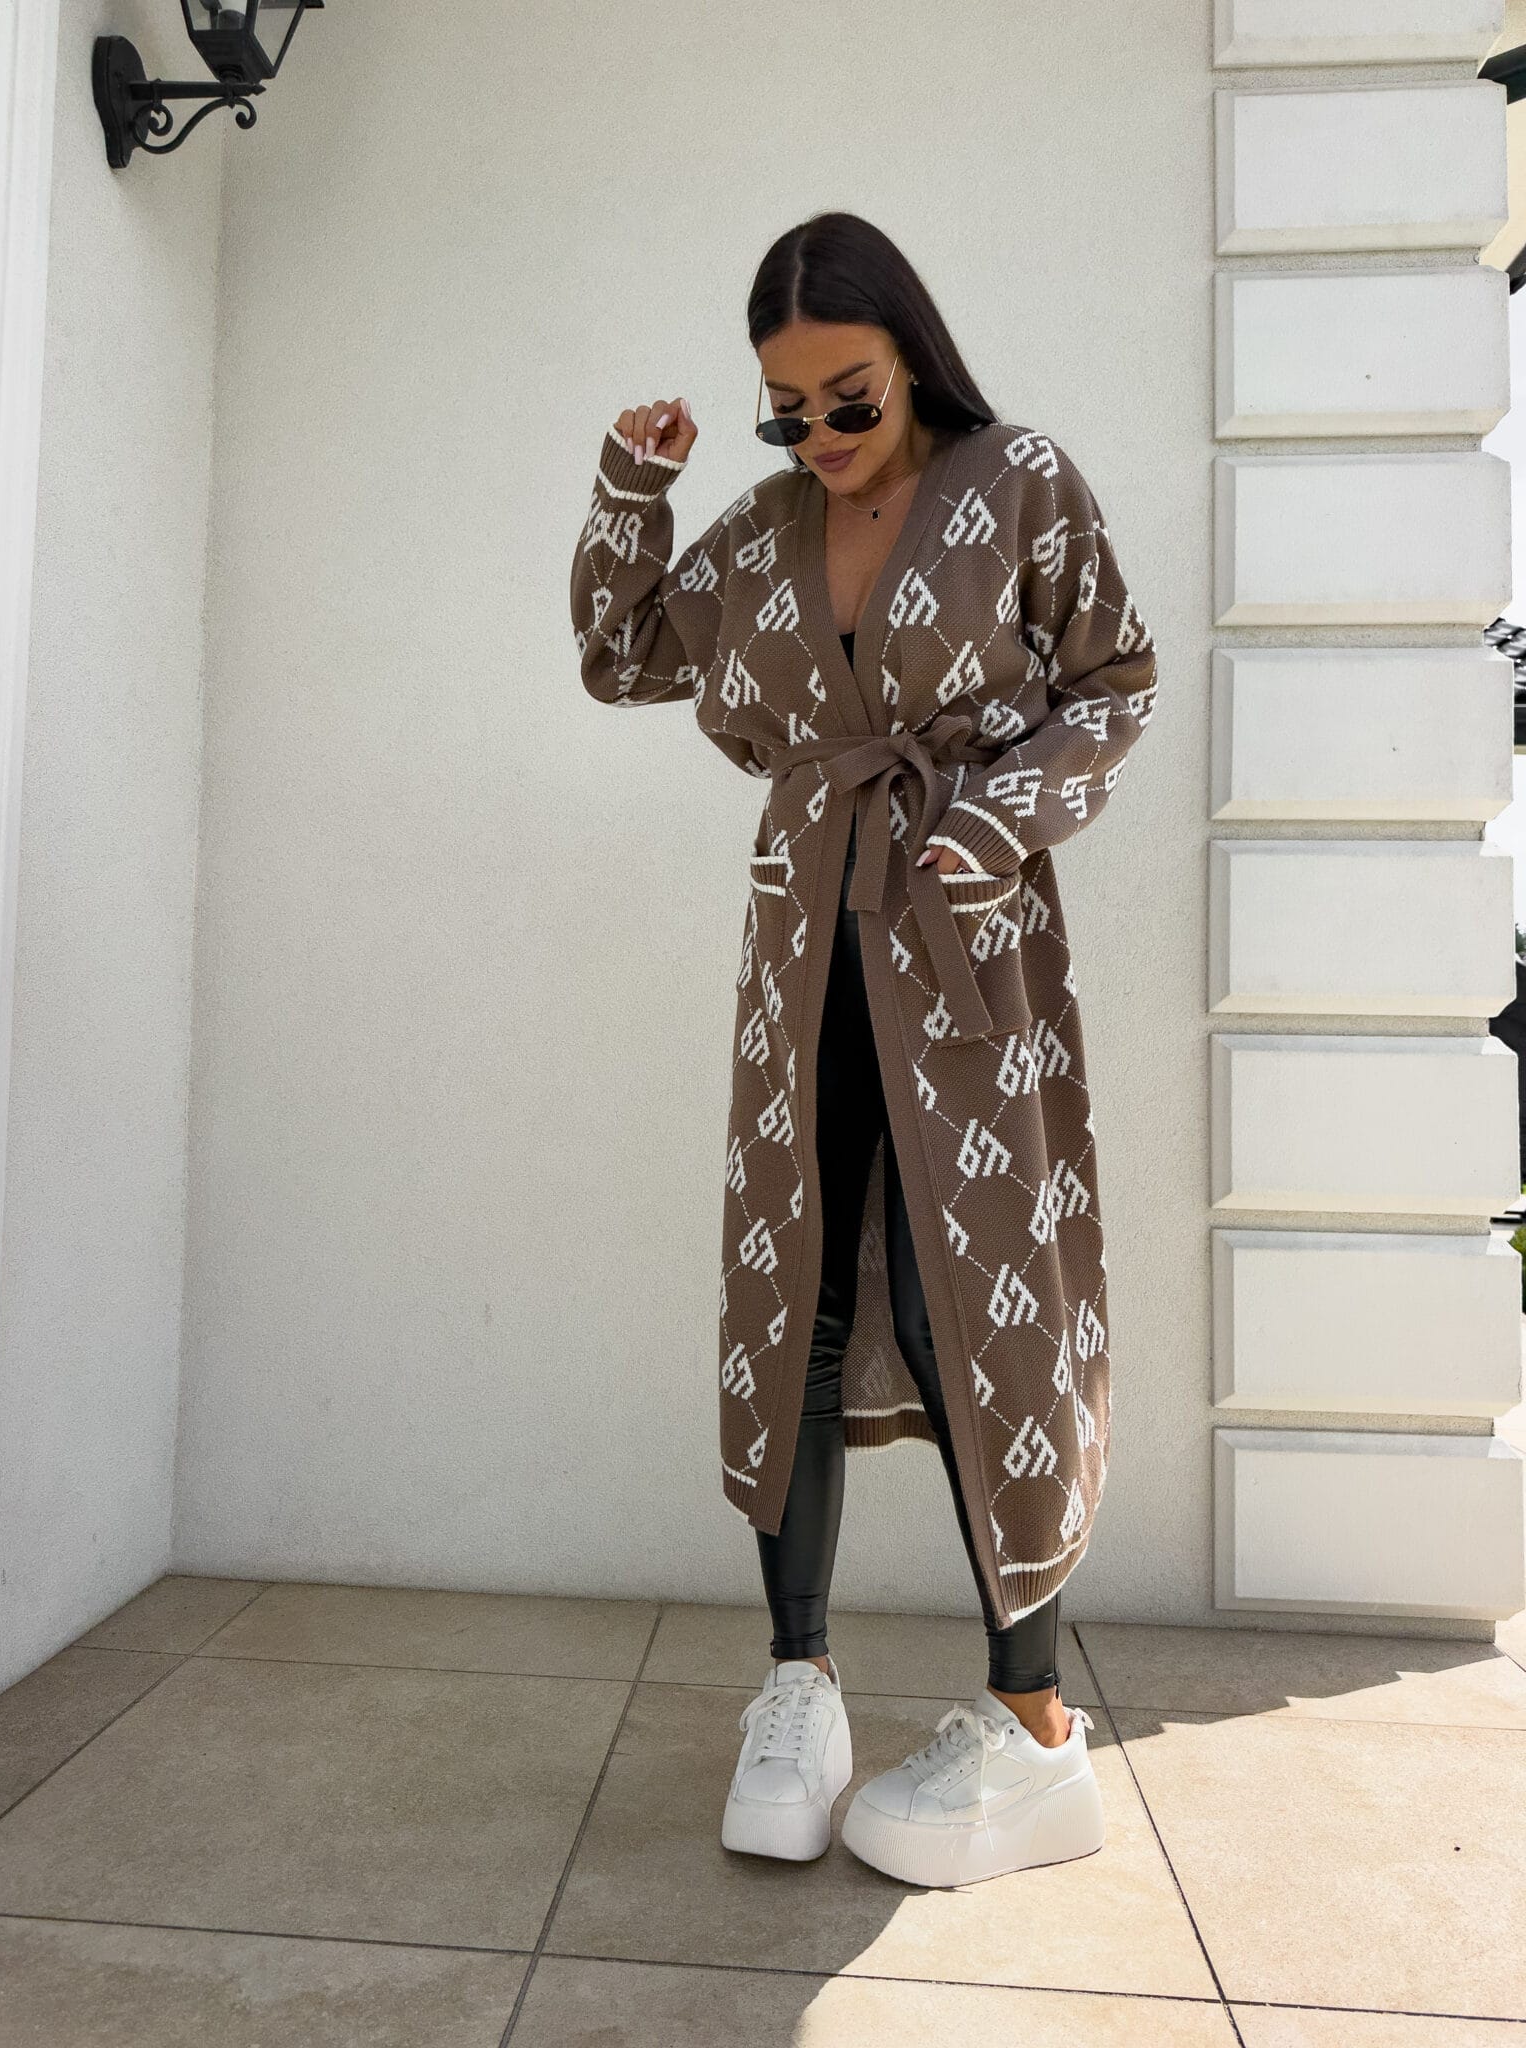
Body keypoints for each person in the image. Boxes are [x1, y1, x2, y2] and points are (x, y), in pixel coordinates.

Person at [569, 211, 1156, 1888]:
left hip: (966, 946)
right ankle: (799, 1687)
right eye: (789, 411)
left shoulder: (1018, 481)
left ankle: (1035, 1726)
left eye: (850, 397)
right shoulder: (763, 531)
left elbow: (1116, 681)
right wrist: (631, 490)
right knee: (804, 1295)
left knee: (967, 1302)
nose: (821, 435)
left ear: (911, 355)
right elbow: (621, 655)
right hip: (804, 949)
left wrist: (996, 821)